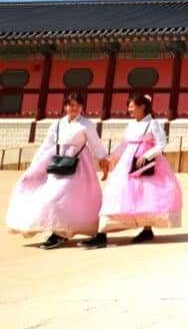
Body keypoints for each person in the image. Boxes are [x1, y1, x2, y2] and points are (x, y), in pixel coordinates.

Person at [6, 92, 110, 249]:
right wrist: (36, 163)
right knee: (53, 197)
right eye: (68, 105)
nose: (71, 108)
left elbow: (96, 145)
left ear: (82, 106)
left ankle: (70, 233)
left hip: (79, 166)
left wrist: (103, 160)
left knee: (70, 199)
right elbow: (47, 145)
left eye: (75, 105)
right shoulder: (58, 124)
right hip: (58, 164)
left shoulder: (87, 125)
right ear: (65, 106)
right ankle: (60, 232)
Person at [81, 94, 182, 248]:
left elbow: (162, 143)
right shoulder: (131, 125)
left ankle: (147, 229)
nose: (129, 110)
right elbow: (124, 144)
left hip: (145, 164)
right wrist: (110, 158)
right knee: (114, 193)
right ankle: (102, 233)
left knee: (146, 196)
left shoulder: (153, 123)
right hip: (127, 163)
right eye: (129, 106)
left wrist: (147, 155)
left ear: (142, 107)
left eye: (132, 106)